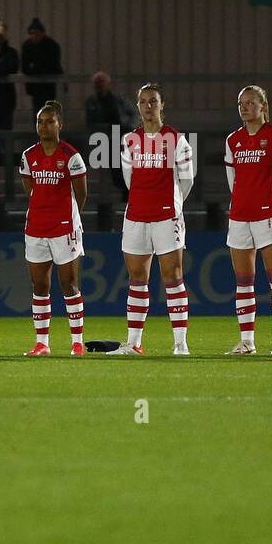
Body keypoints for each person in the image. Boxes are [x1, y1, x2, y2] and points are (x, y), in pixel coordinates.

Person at [111, 83, 194, 356]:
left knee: (173, 277)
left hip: (166, 215)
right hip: (136, 215)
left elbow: (186, 180)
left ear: (162, 105)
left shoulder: (176, 139)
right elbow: (128, 180)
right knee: (137, 278)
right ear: (137, 106)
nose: (148, 106)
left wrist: (172, 203)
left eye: (153, 101)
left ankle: (180, 343)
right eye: (144, 101)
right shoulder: (129, 141)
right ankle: (134, 343)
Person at [224, 86, 272, 356]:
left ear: (263, 106)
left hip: (269, 215)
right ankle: (247, 341)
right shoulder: (233, 140)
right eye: (241, 103)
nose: (244, 108)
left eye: (250, 103)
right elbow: (234, 182)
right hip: (240, 216)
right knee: (244, 280)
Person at [19, 101, 89, 357]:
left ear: (61, 124)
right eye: (40, 121)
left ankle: (77, 342)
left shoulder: (71, 156)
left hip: (65, 229)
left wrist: (67, 218)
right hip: (36, 228)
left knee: (69, 285)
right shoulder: (29, 156)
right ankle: (42, 343)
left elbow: (81, 194)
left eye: (49, 121)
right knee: (39, 287)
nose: (44, 126)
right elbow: (31, 191)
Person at [86, 70, 136, 200]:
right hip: (107, 137)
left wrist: (129, 126)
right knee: (116, 168)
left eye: (102, 83)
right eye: (98, 84)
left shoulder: (118, 100)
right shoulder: (92, 102)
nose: (101, 86)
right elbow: (90, 121)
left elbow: (133, 114)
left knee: (124, 166)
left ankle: (127, 193)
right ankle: (125, 191)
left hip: (121, 134)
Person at [21, 18, 63, 112]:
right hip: (35, 86)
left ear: (43, 33)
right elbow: (25, 67)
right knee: (37, 111)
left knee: (48, 110)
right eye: (32, 33)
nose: (34, 36)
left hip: (48, 85)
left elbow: (53, 65)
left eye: (36, 33)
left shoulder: (52, 45)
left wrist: (34, 68)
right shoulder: (27, 46)